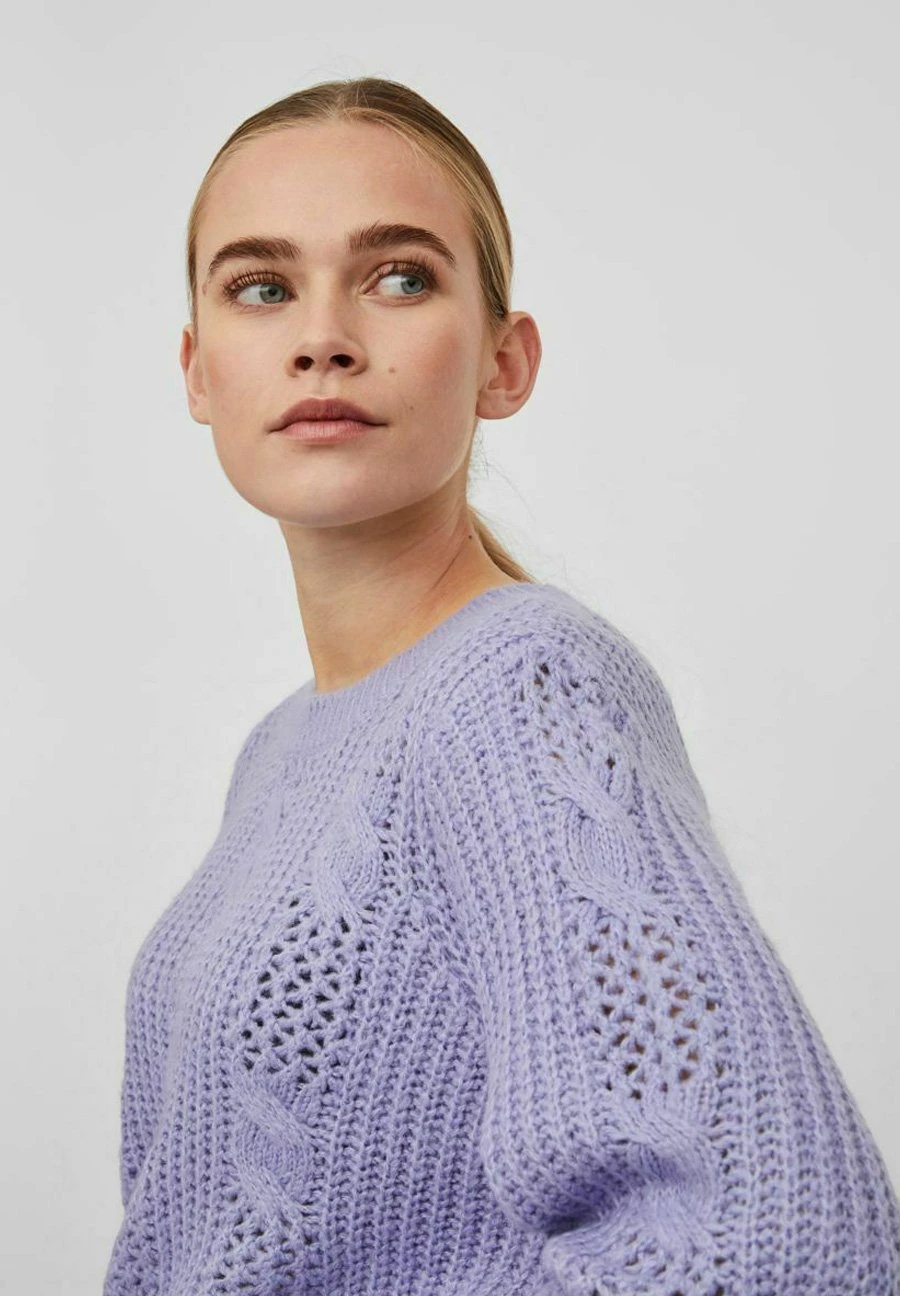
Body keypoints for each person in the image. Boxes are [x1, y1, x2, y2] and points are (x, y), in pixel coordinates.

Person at [103, 76, 900, 1296]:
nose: (323, 336)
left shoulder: (518, 686)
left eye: (399, 277)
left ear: (504, 362)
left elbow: (773, 1243)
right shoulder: (281, 751)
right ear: (198, 370)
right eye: (261, 287)